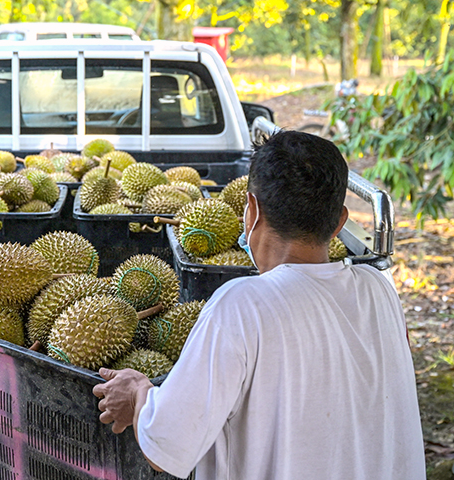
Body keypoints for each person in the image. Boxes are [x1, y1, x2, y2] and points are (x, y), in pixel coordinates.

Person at [93, 131, 425, 480]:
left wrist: (138, 394)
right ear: (340, 222)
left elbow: (165, 446)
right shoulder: (381, 290)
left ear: (251, 211)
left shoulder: (241, 306)